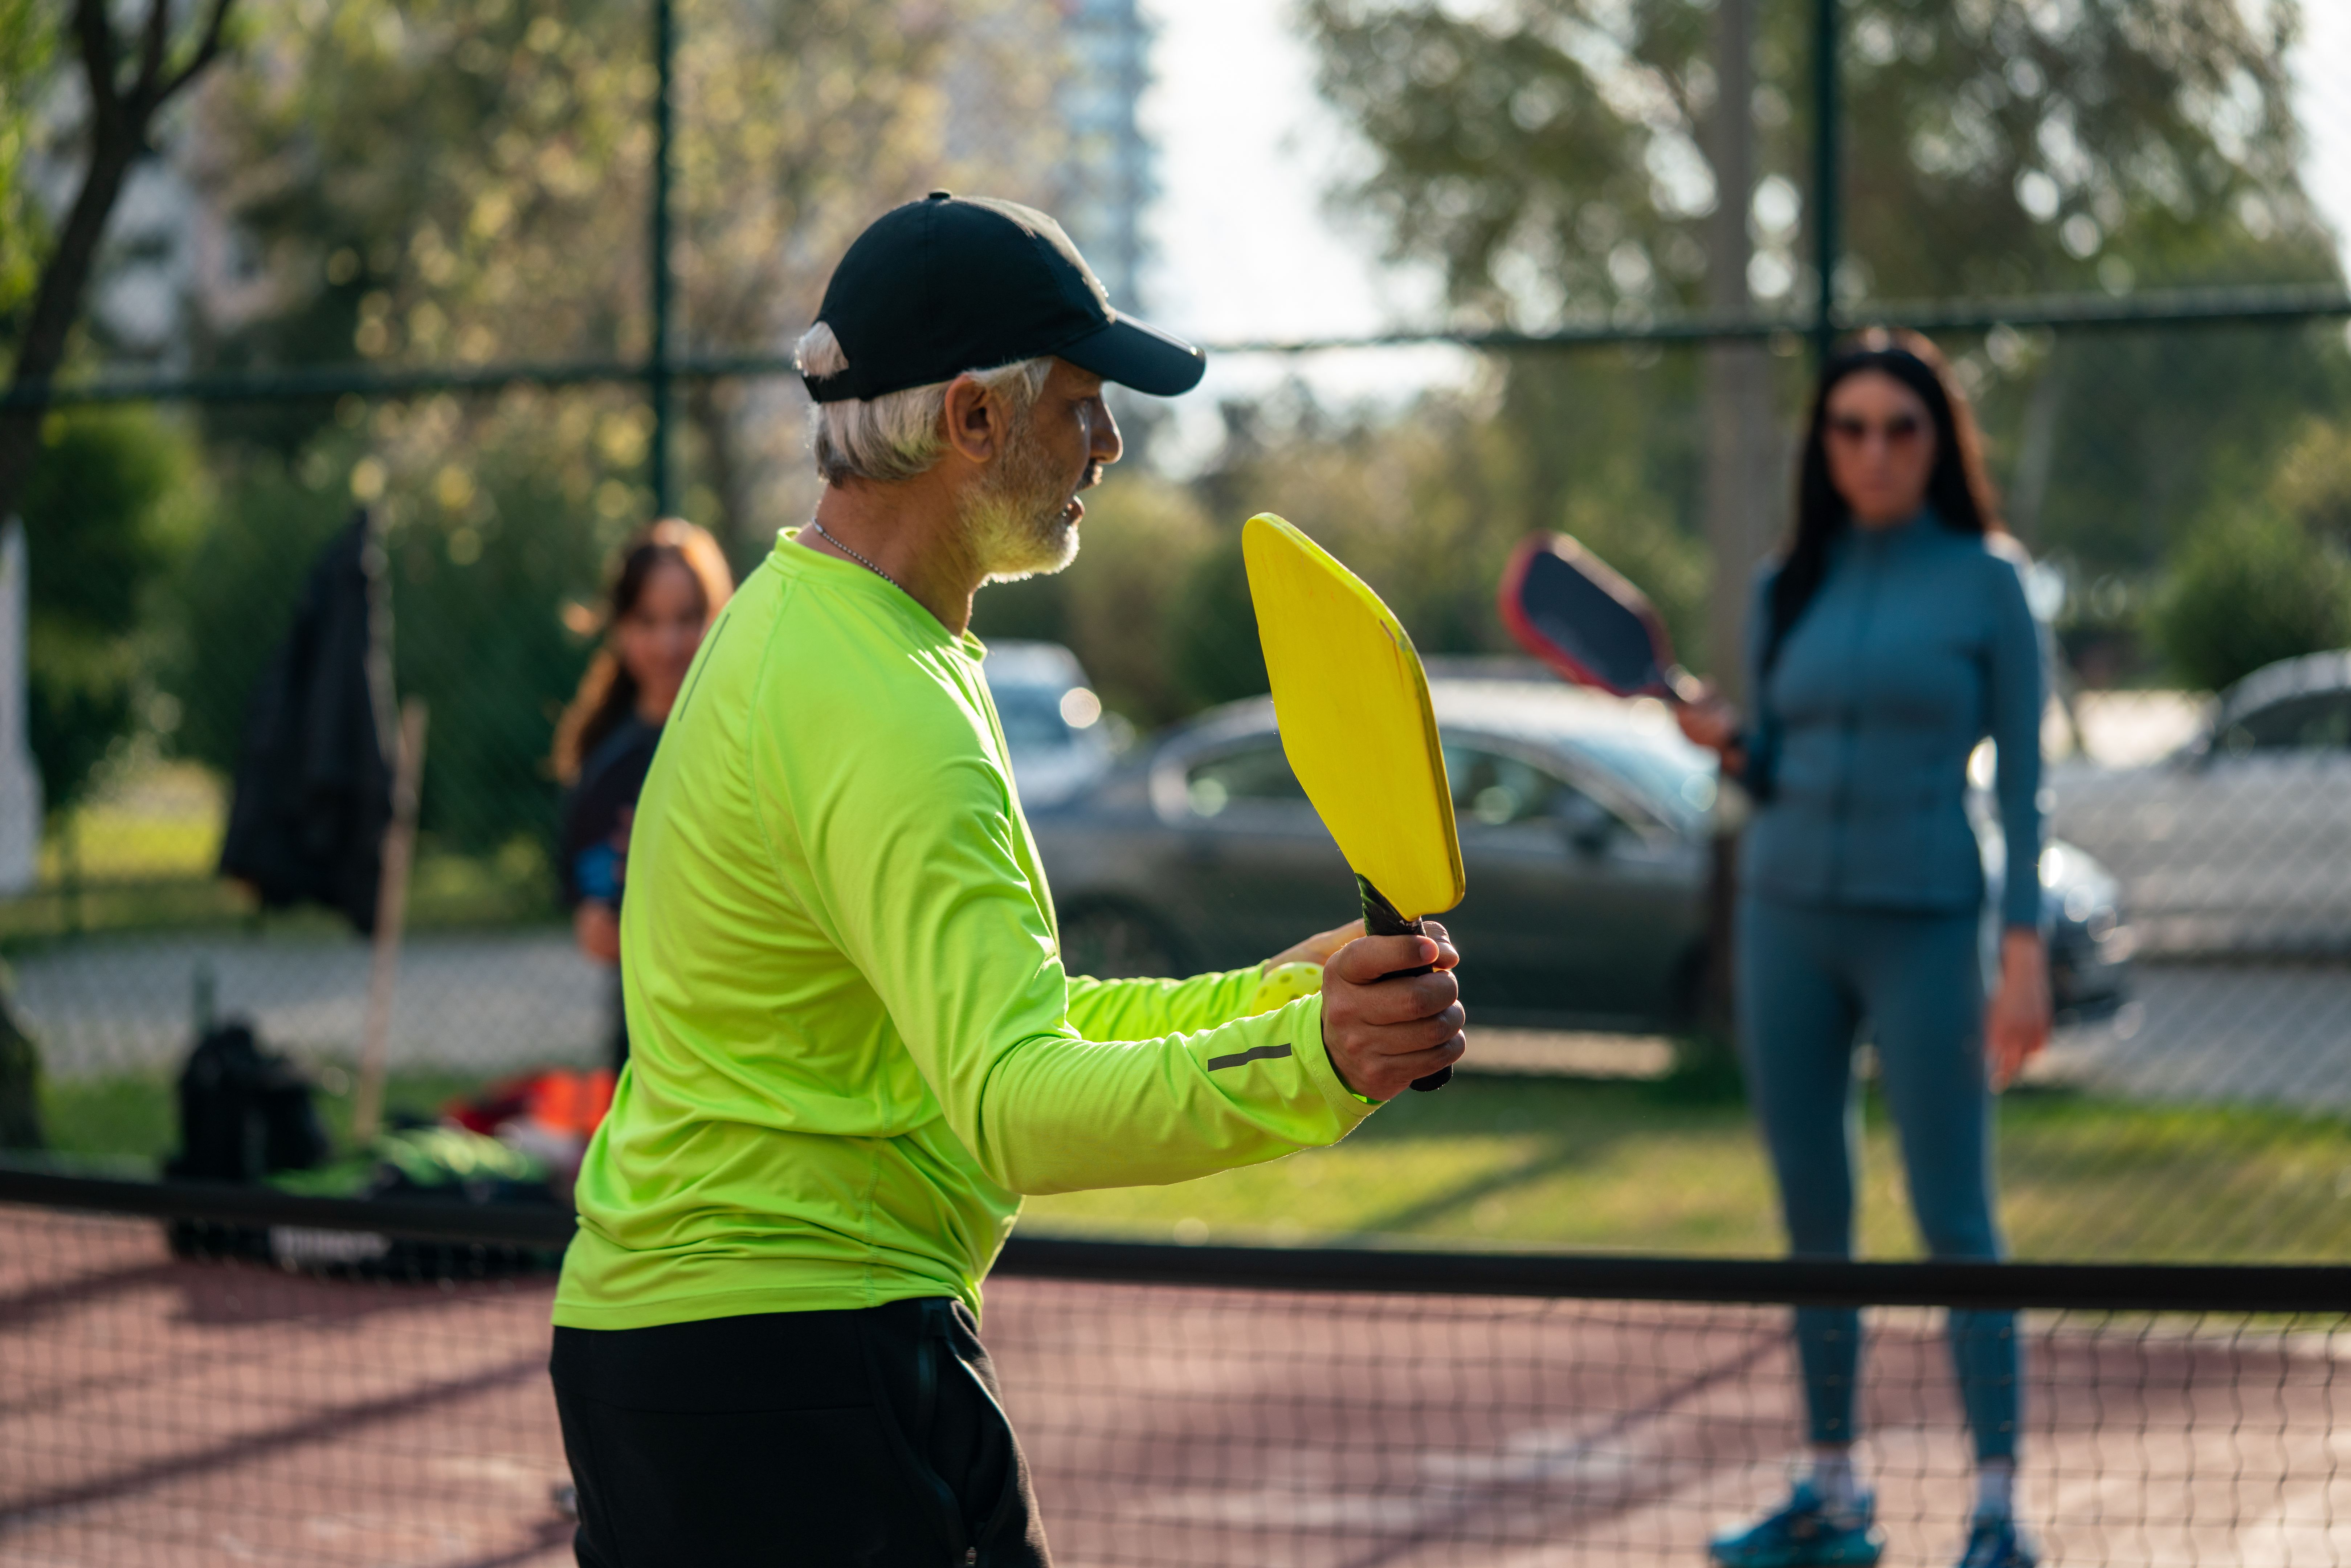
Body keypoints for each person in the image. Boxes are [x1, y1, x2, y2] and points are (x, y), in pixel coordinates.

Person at [547, 192, 1469, 1567]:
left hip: (677, 1354)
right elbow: (1015, 1108)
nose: (1108, 443)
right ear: (970, 419)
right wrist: (1316, 1060)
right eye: (1081, 404)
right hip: (804, 1363)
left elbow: (1008, 1026)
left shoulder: (801, 623)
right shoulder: (885, 705)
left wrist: (1280, 997)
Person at [1676, 330, 2050, 1568]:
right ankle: (1831, 1495)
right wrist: (1727, 741)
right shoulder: (1786, 583)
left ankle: (1995, 1511)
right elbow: (1778, 767)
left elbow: (2025, 787)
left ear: (1936, 440)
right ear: (1821, 446)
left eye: (1899, 427)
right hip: (1783, 919)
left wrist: (2022, 950)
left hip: (1926, 922)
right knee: (1811, 1216)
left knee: (1955, 1218)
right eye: (1849, 429)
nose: (1873, 451)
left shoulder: (1988, 581)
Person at [550, 519, 734, 1069]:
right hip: (652, 1051)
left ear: (722, 615)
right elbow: (597, 935)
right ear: (620, 628)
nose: (669, 644)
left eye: (688, 618)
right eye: (648, 622)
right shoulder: (606, 766)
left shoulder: (752, 737)